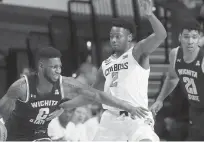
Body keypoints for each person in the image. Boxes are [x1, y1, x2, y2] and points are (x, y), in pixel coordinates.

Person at [0, 47, 148, 141]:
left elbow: (98, 95)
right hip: (15, 136)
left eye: (60, 66)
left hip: (40, 135)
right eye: (54, 67)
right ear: (41, 67)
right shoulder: (22, 86)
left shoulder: (66, 84)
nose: (58, 70)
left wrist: (126, 105)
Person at [60, 0, 167, 141]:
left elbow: (161, 36)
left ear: (129, 37)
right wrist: (65, 105)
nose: (114, 40)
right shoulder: (106, 64)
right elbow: (92, 95)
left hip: (136, 117)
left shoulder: (138, 51)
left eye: (118, 36)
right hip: (111, 119)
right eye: (112, 36)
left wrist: (150, 15)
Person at [150, 22, 204, 141]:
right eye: (186, 36)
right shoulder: (175, 54)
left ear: (199, 39)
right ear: (179, 37)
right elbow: (172, 78)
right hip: (196, 110)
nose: (190, 41)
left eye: (194, 37)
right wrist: (160, 99)